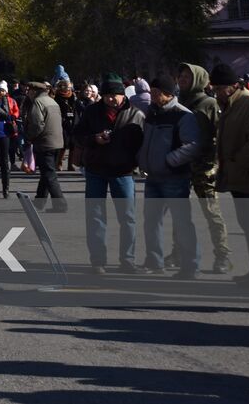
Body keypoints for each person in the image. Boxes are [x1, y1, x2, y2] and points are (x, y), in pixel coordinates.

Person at [73, 76, 145, 274]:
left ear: (123, 95)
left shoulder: (135, 114)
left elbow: (142, 142)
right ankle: (98, 261)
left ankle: (127, 260)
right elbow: (77, 135)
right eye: (107, 96)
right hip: (96, 169)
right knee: (95, 217)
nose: (112, 99)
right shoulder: (92, 112)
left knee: (128, 218)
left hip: (123, 171)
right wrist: (93, 139)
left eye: (115, 95)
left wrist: (137, 162)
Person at [212, 63, 249, 290]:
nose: (216, 92)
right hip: (241, 181)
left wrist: (238, 162)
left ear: (233, 86)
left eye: (219, 88)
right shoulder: (228, 104)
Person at [137, 76, 199, 276]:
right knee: (151, 221)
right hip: (153, 178)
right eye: (152, 93)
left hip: (175, 178)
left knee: (182, 222)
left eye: (157, 94)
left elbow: (192, 146)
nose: (153, 97)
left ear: (169, 94)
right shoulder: (152, 114)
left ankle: (190, 265)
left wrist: (169, 160)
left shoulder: (183, 116)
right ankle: (154, 261)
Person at [173, 62, 231, 274]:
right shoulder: (179, 101)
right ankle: (178, 252)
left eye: (187, 76)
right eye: (180, 76)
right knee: (179, 212)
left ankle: (222, 255)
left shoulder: (208, 103)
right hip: (182, 164)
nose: (182, 80)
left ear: (198, 79)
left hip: (204, 167)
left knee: (211, 213)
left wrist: (215, 162)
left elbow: (219, 134)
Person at [23, 79, 67, 212]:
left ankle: (60, 205)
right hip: (56, 142)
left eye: (29, 90)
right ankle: (39, 202)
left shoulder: (38, 102)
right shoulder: (51, 101)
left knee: (49, 175)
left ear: (34, 91)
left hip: (44, 142)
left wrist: (30, 137)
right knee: (46, 174)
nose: (27, 93)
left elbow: (37, 124)